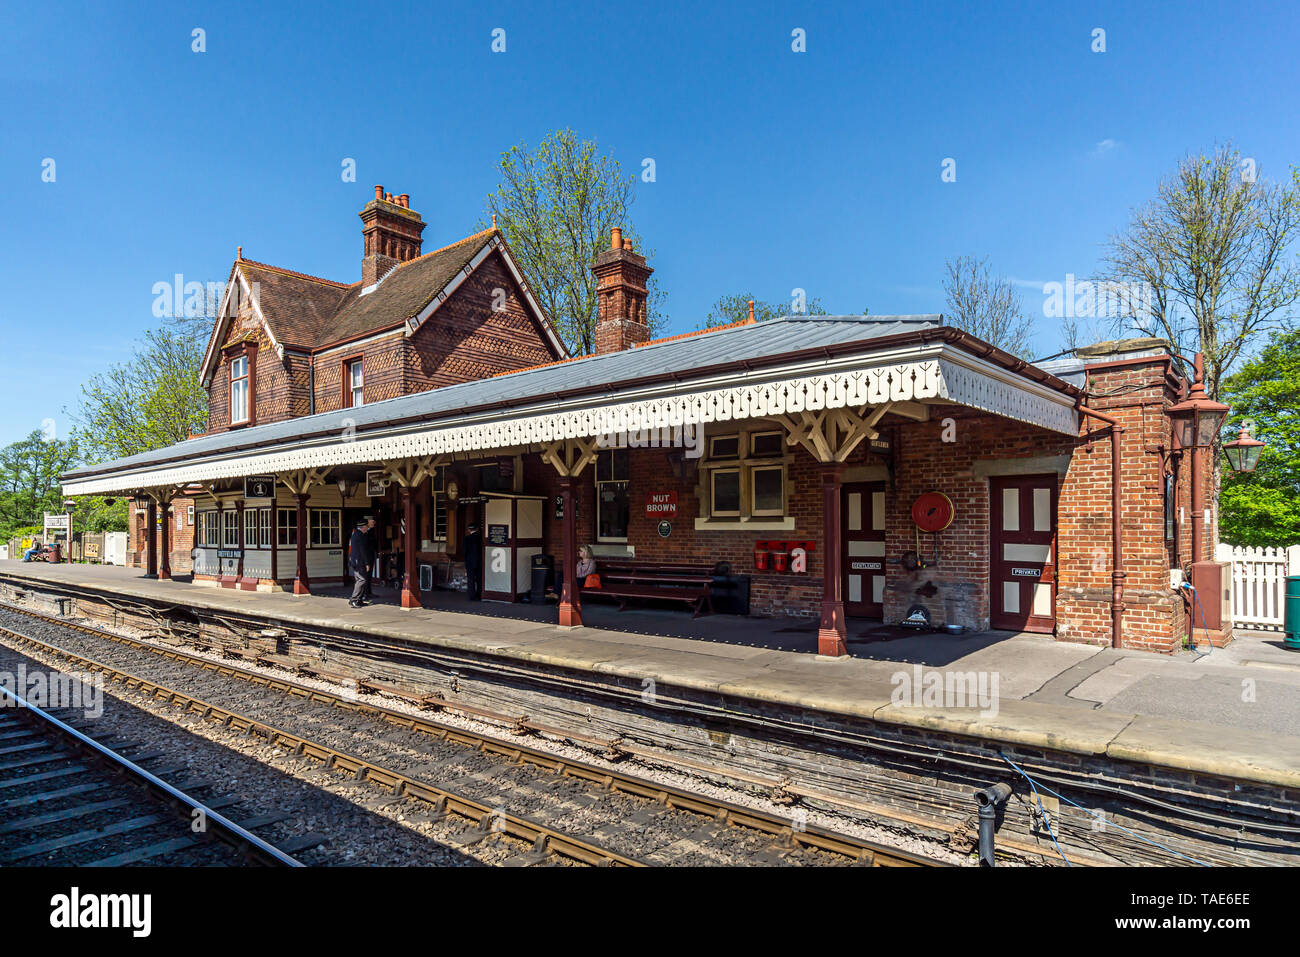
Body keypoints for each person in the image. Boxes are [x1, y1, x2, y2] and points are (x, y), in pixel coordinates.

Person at [347, 516, 376, 608]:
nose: (368, 528)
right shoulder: (361, 536)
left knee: (360, 579)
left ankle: (359, 599)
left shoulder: (355, 534)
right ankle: (354, 599)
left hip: (355, 561)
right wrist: (367, 563)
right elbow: (362, 550)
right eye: (367, 526)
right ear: (363, 527)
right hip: (359, 562)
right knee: (361, 580)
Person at [463, 523, 483, 601]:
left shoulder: (466, 539)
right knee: (479, 579)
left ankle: (472, 596)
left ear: (468, 530)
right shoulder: (480, 538)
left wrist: (466, 559)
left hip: (470, 562)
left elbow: (464, 551)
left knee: (470, 579)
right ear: (477, 529)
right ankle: (479, 595)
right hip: (479, 561)